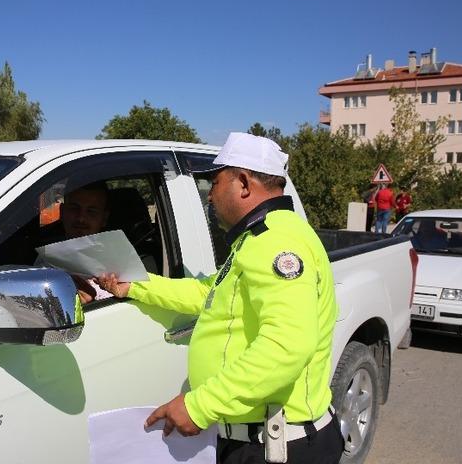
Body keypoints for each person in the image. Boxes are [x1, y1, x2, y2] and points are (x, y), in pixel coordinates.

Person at [98, 132, 343, 464]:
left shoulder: (276, 242)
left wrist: (200, 405)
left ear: (243, 183)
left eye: (214, 183)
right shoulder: (259, 237)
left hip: (277, 448)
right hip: (262, 441)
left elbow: (286, 345)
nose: (210, 196)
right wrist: (134, 287)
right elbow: (208, 293)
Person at [38, 181, 113, 303]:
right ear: (62, 212)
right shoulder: (46, 260)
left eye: (91, 211)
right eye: (74, 208)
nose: (81, 218)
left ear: (104, 218)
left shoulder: (121, 263)